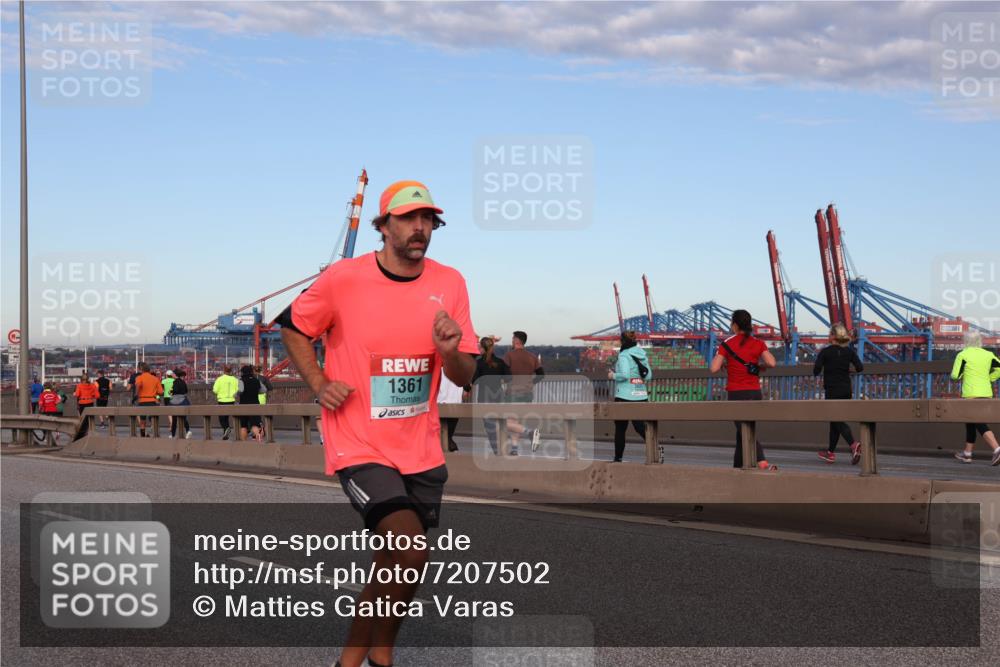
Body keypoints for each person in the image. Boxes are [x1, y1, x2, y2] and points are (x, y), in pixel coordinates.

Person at [278, 179, 477, 667]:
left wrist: (451, 352)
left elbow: (465, 372)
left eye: (428, 219)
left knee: (393, 566)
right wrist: (319, 380)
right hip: (358, 440)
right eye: (409, 219)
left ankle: (361, 659)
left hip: (421, 446)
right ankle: (378, 661)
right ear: (383, 225)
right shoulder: (344, 278)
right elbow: (293, 325)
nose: (420, 228)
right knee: (410, 551)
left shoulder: (450, 282)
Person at [709, 309, 778, 470]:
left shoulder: (727, 344)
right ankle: (736, 468)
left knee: (744, 429)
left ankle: (762, 462)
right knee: (743, 431)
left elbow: (713, 368)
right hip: (755, 392)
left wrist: (724, 360)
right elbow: (772, 363)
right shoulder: (758, 343)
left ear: (734, 325)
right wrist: (759, 366)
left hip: (736, 393)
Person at [814, 324, 864, 465]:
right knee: (835, 421)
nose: (828, 336)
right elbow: (860, 368)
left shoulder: (825, 352)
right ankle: (830, 453)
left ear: (834, 337)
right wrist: (848, 371)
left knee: (837, 420)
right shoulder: (849, 352)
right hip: (846, 390)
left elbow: (816, 371)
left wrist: (826, 368)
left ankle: (853, 444)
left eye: (830, 334)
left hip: (832, 390)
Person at [951, 331, 1000, 465]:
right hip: (986, 392)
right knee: (971, 422)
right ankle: (967, 454)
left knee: (978, 422)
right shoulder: (988, 355)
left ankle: (997, 449)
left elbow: (955, 375)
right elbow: (999, 369)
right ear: (980, 341)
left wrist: (962, 375)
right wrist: (990, 378)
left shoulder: (963, 355)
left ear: (966, 341)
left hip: (971, 393)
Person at [608, 330, 649, 463]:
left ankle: (618, 458)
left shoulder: (624, 355)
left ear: (622, 341)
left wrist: (613, 375)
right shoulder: (642, 354)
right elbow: (648, 375)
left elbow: (624, 375)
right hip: (642, 395)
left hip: (624, 396)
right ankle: (656, 447)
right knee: (641, 427)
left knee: (620, 429)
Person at [467, 336, 511, 455]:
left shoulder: (479, 363)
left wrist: (468, 387)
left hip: (484, 397)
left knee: (490, 427)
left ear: (482, 348)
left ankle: (497, 451)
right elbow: (509, 378)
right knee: (502, 423)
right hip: (499, 396)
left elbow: (474, 380)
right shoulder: (500, 362)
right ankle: (508, 447)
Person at [502, 330, 543, 453]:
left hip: (513, 393)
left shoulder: (509, 356)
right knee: (516, 422)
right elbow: (541, 375)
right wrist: (530, 383)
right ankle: (514, 449)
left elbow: (504, 375)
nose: (512, 340)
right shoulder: (533, 357)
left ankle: (530, 432)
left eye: (513, 338)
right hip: (527, 394)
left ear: (516, 340)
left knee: (507, 423)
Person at [438, 368, 464, 452]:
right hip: (456, 404)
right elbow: (467, 386)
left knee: (443, 432)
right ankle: (450, 448)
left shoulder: (438, 369)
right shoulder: (460, 370)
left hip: (440, 403)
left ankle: (448, 450)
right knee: (448, 433)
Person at [134, 363, 163, 437]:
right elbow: (161, 392)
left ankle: (143, 436)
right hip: (152, 401)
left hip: (142, 401)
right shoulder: (155, 379)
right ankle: (153, 434)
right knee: (153, 419)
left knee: (142, 421)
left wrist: (136, 395)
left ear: (141, 369)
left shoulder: (139, 378)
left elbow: (138, 385)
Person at [237, 365, 263, 441]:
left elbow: (241, 391)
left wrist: (236, 394)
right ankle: (258, 438)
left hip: (244, 405)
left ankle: (244, 443)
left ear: (242, 372)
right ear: (251, 372)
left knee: (243, 425)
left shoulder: (241, 380)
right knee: (255, 424)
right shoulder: (256, 380)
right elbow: (263, 390)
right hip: (255, 404)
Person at [212, 366, 238, 440]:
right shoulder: (235, 379)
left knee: (222, 418)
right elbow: (238, 390)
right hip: (231, 400)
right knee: (228, 417)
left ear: (224, 370)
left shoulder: (219, 379)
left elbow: (215, 390)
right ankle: (226, 432)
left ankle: (226, 429)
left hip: (222, 401)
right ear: (231, 370)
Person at [169, 369, 193, 439]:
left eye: (173, 374)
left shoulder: (175, 382)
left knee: (174, 419)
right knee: (183, 417)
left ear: (175, 375)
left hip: (176, 401)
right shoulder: (183, 382)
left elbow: (175, 390)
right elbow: (186, 390)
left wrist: (172, 392)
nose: (172, 375)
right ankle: (188, 431)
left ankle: (173, 435)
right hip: (183, 400)